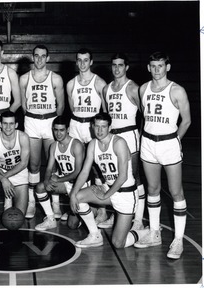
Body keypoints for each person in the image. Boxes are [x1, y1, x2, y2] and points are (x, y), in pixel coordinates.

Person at [134, 52, 191, 259]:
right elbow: (144, 116)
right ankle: (155, 233)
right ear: (148, 68)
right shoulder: (143, 89)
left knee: (176, 192)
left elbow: (186, 121)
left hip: (169, 143)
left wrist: (175, 140)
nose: (157, 70)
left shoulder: (177, 90)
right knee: (153, 189)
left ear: (167, 67)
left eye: (160, 66)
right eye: (153, 66)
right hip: (148, 142)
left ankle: (178, 240)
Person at [70, 113, 148, 249]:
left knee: (118, 243)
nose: (100, 131)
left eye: (103, 127)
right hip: (109, 189)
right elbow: (84, 171)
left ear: (110, 127)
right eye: (97, 127)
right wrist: (73, 193)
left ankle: (146, 232)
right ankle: (95, 235)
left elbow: (123, 176)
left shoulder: (119, 143)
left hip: (126, 194)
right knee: (78, 196)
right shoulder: (93, 144)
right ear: (92, 127)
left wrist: (106, 195)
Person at [101, 53, 145, 231]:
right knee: (114, 177)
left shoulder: (133, 88)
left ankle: (139, 220)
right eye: (114, 65)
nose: (117, 68)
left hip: (129, 135)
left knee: (134, 178)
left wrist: (140, 137)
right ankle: (116, 214)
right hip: (112, 136)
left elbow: (145, 115)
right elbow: (105, 115)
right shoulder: (106, 89)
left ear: (126, 67)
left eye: (120, 65)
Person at [19, 44, 65, 219]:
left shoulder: (56, 78)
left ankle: (55, 203)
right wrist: (34, 117)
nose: (39, 59)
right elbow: (23, 105)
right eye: (36, 56)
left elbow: (60, 105)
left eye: (42, 56)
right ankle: (32, 202)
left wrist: (52, 122)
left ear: (48, 58)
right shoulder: (24, 78)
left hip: (50, 121)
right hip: (31, 121)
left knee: (53, 164)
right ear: (33, 57)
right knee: (34, 165)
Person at [66, 48, 107, 223]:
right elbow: (71, 107)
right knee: (75, 164)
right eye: (79, 60)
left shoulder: (99, 83)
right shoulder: (70, 84)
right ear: (76, 62)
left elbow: (105, 111)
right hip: (76, 124)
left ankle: (102, 208)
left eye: (86, 60)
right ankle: (80, 203)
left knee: (97, 168)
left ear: (91, 62)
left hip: (92, 125)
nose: (82, 64)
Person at [35, 116, 87, 231]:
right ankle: (50, 219)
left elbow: (77, 173)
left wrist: (57, 180)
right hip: (65, 182)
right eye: (56, 130)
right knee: (40, 187)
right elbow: (48, 169)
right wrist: (47, 180)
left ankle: (92, 210)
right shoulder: (53, 146)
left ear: (68, 129)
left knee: (72, 225)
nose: (58, 134)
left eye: (62, 130)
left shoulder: (76, 145)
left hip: (80, 185)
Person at [0, 111, 30, 230]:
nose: (8, 127)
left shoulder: (23, 137)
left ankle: (8, 198)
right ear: (0, 124)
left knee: (19, 217)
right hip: (0, 171)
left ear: (16, 125)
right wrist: (3, 179)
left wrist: (6, 177)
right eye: (5, 123)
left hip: (19, 172)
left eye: (11, 124)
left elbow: (24, 163)